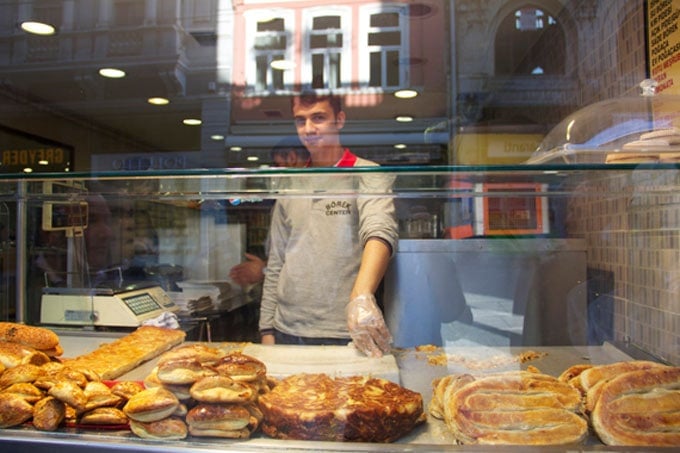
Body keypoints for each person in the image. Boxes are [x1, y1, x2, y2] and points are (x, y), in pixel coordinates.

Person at [258, 92, 399, 357]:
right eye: (301, 121)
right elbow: (276, 262)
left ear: (340, 120)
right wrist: (267, 329)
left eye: (318, 118)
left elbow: (380, 231)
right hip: (287, 328)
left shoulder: (369, 173)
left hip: (347, 329)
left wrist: (361, 298)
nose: (309, 129)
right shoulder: (290, 184)